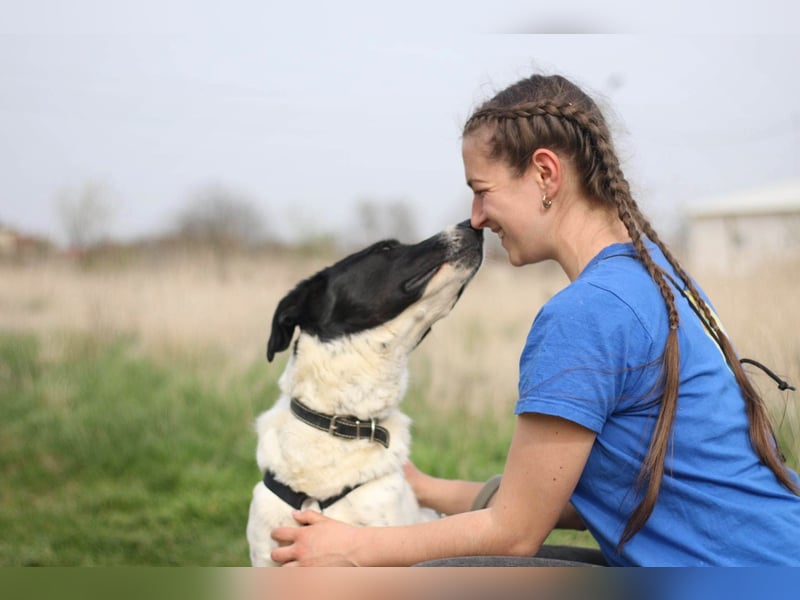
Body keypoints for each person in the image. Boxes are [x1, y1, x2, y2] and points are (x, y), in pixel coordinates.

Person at [269, 73, 800, 566]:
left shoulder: (587, 313)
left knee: (421, 577)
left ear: (545, 173)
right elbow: (591, 499)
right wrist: (427, 489)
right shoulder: (657, 277)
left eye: (482, 191)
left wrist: (353, 547)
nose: (476, 218)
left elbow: (515, 532)